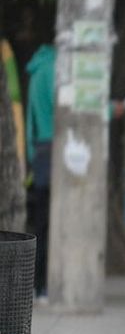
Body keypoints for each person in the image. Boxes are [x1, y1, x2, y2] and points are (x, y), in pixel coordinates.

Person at [25, 40, 55, 296]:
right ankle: (43, 283)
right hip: (56, 148)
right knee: (50, 223)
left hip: (40, 151)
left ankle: (38, 284)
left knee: (40, 222)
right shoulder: (54, 69)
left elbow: (30, 121)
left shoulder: (37, 69)